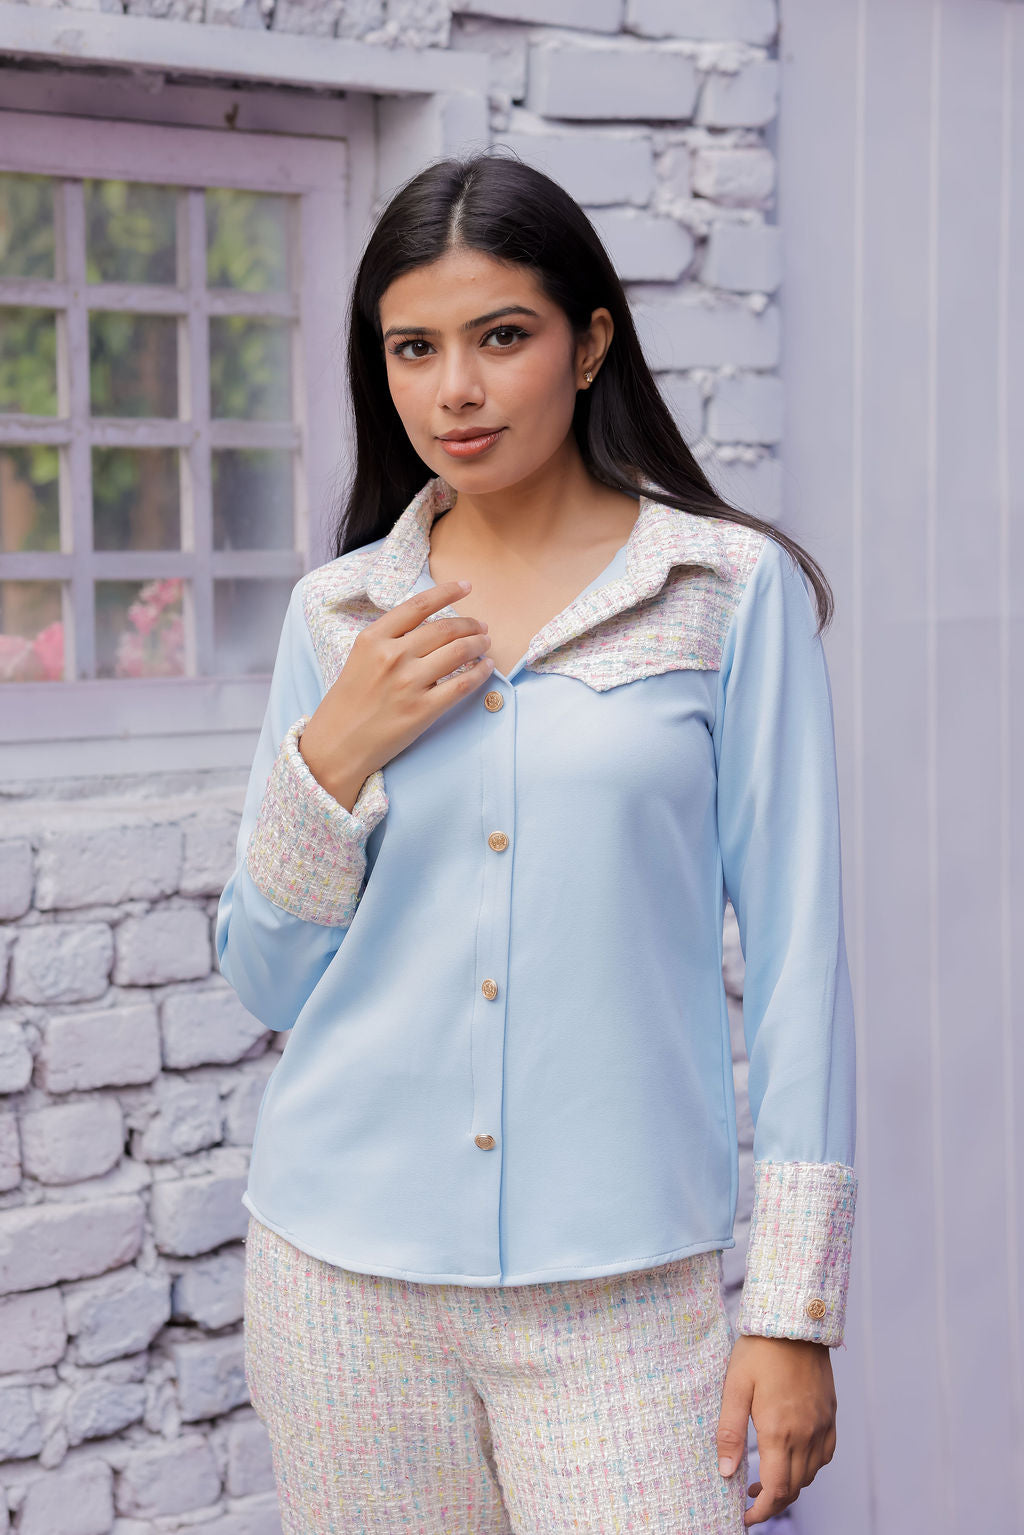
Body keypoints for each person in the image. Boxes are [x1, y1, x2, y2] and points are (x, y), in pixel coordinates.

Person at [215, 149, 858, 1535]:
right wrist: (336, 751)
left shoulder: (724, 591)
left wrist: (794, 1310)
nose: (456, 387)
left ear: (591, 344)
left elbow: (799, 961)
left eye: (501, 336)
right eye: (414, 348)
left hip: (621, 1294)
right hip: (339, 1288)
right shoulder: (339, 616)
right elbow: (267, 980)